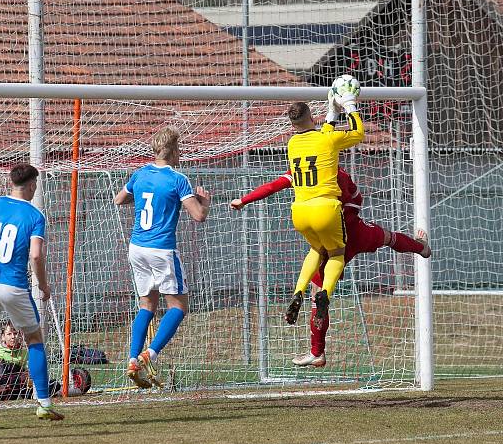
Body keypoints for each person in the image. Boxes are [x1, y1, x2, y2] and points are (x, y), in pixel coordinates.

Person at [231, 168, 432, 366]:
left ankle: (317, 351)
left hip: (327, 240)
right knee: (388, 237)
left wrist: (244, 200)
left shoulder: (301, 166)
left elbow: (273, 186)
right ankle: (421, 248)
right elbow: (355, 200)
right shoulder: (337, 172)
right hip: (354, 231)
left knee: (317, 289)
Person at [0, 162, 62, 429]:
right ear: (30, 185)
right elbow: (36, 254)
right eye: (35, 185)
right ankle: (44, 405)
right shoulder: (35, 215)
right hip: (13, 284)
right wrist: (43, 285)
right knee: (34, 337)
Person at [113, 127, 211, 388]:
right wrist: (204, 201)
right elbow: (199, 216)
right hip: (161, 250)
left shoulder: (140, 174)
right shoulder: (178, 179)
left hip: (137, 248)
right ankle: (149, 354)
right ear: (174, 150)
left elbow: (119, 199)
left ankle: (133, 358)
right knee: (178, 307)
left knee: (147, 305)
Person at [279, 83, 364, 343]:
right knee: (336, 253)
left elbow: (319, 133)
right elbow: (358, 132)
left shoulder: (292, 144)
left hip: (299, 211)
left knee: (316, 251)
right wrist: (348, 105)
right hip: (326, 207)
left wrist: (331, 110)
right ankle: (325, 292)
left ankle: (298, 290)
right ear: (311, 116)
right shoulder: (328, 139)